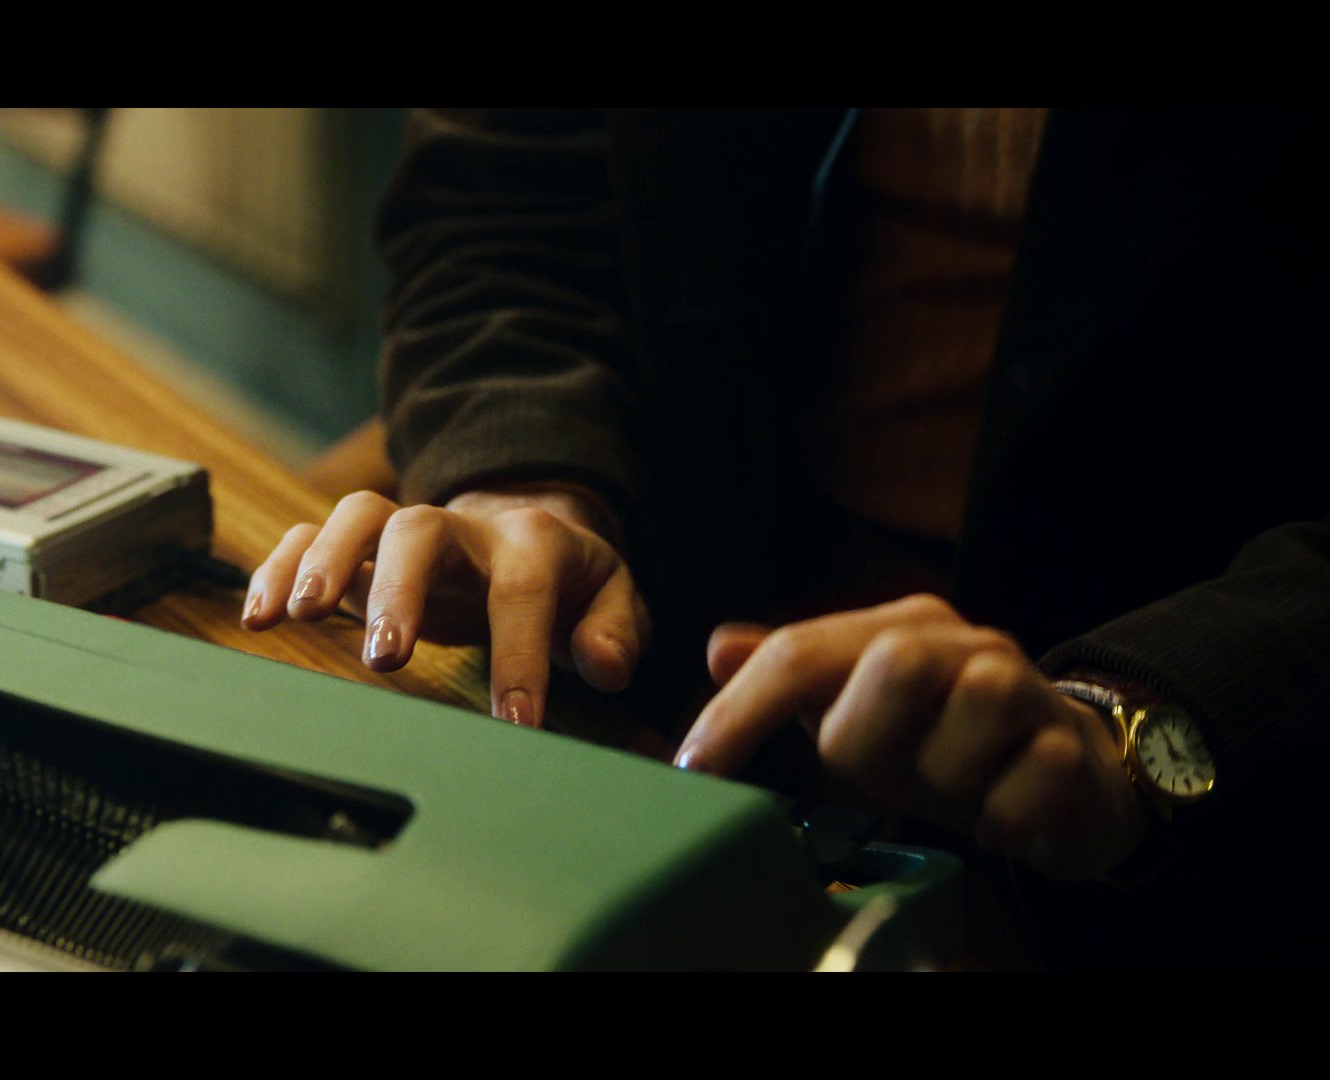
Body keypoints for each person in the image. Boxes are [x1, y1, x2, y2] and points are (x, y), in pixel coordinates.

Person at [242, 109, 1330, 968]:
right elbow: (506, 198)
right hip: (661, 638)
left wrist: (1145, 717)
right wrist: (526, 481)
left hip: (1198, 805)